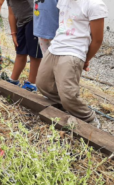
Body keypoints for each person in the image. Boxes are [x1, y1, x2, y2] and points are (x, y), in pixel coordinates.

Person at [36, 0, 108, 128]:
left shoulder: (94, 4)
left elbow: (98, 40)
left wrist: (85, 59)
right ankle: (63, 106)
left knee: (68, 94)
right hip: (56, 46)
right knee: (43, 84)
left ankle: (89, 119)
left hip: (74, 51)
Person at [5, 0, 42, 92]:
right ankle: (13, 80)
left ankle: (32, 83)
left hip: (34, 19)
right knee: (20, 52)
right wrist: (14, 33)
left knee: (34, 54)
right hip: (21, 23)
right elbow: (11, 13)